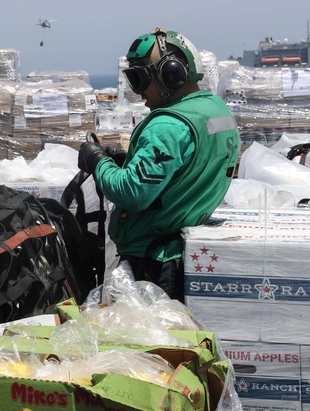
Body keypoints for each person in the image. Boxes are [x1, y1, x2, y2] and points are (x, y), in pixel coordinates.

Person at [78, 28, 241, 301]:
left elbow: (132, 192)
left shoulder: (167, 125)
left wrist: (97, 162)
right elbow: (187, 163)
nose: (139, 93)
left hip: (154, 263)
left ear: (171, 74)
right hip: (181, 251)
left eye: (141, 79)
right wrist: (125, 159)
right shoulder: (215, 110)